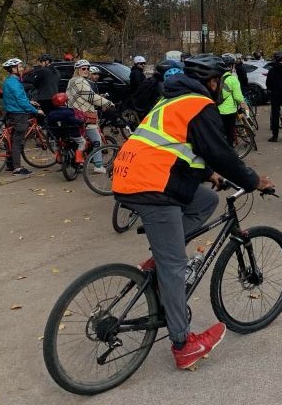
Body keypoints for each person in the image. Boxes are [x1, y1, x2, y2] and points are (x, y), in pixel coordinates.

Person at [112, 54, 272, 370]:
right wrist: (254, 181)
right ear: (212, 82)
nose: (222, 91)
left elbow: (174, 149)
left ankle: (160, 257)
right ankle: (183, 345)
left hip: (133, 175)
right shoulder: (199, 105)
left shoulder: (172, 100)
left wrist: (207, 174)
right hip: (152, 187)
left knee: (205, 202)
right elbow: (220, 152)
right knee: (174, 266)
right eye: (221, 85)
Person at [0, 58, 44, 175]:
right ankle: (18, 168)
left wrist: (30, 101)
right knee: (17, 140)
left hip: (11, 112)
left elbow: (17, 97)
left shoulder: (10, 81)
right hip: (18, 114)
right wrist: (35, 111)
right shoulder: (14, 82)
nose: (22, 69)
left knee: (10, 139)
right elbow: (20, 100)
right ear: (13, 69)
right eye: (20, 67)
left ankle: (10, 164)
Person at [66, 60, 114, 165]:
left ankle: (79, 160)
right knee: (97, 140)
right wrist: (108, 103)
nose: (86, 70)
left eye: (88, 68)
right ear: (77, 70)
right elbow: (91, 97)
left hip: (73, 114)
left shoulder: (71, 81)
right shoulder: (81, 81)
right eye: (83, 68)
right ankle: (98, 165)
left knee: (80, 139)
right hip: (85, 115)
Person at [45, 92, 87, 165]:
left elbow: (48, 123)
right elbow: (74, 121)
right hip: (72, 133)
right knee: (82, 142)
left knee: (56, 144)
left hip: (58, 134)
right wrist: (82, 121)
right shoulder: (69, 112)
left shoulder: (51, 113)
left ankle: (57, 155)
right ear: (65, 102)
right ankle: (78, 156)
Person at [216, 54, 247, 146]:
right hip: (229, 111)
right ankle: (229, 152)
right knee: (230, 133)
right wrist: (244, 105)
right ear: (231, 66)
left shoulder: (216, 78)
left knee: (220, 132)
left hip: (217, 109)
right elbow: (238, 97)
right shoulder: (232, 79)